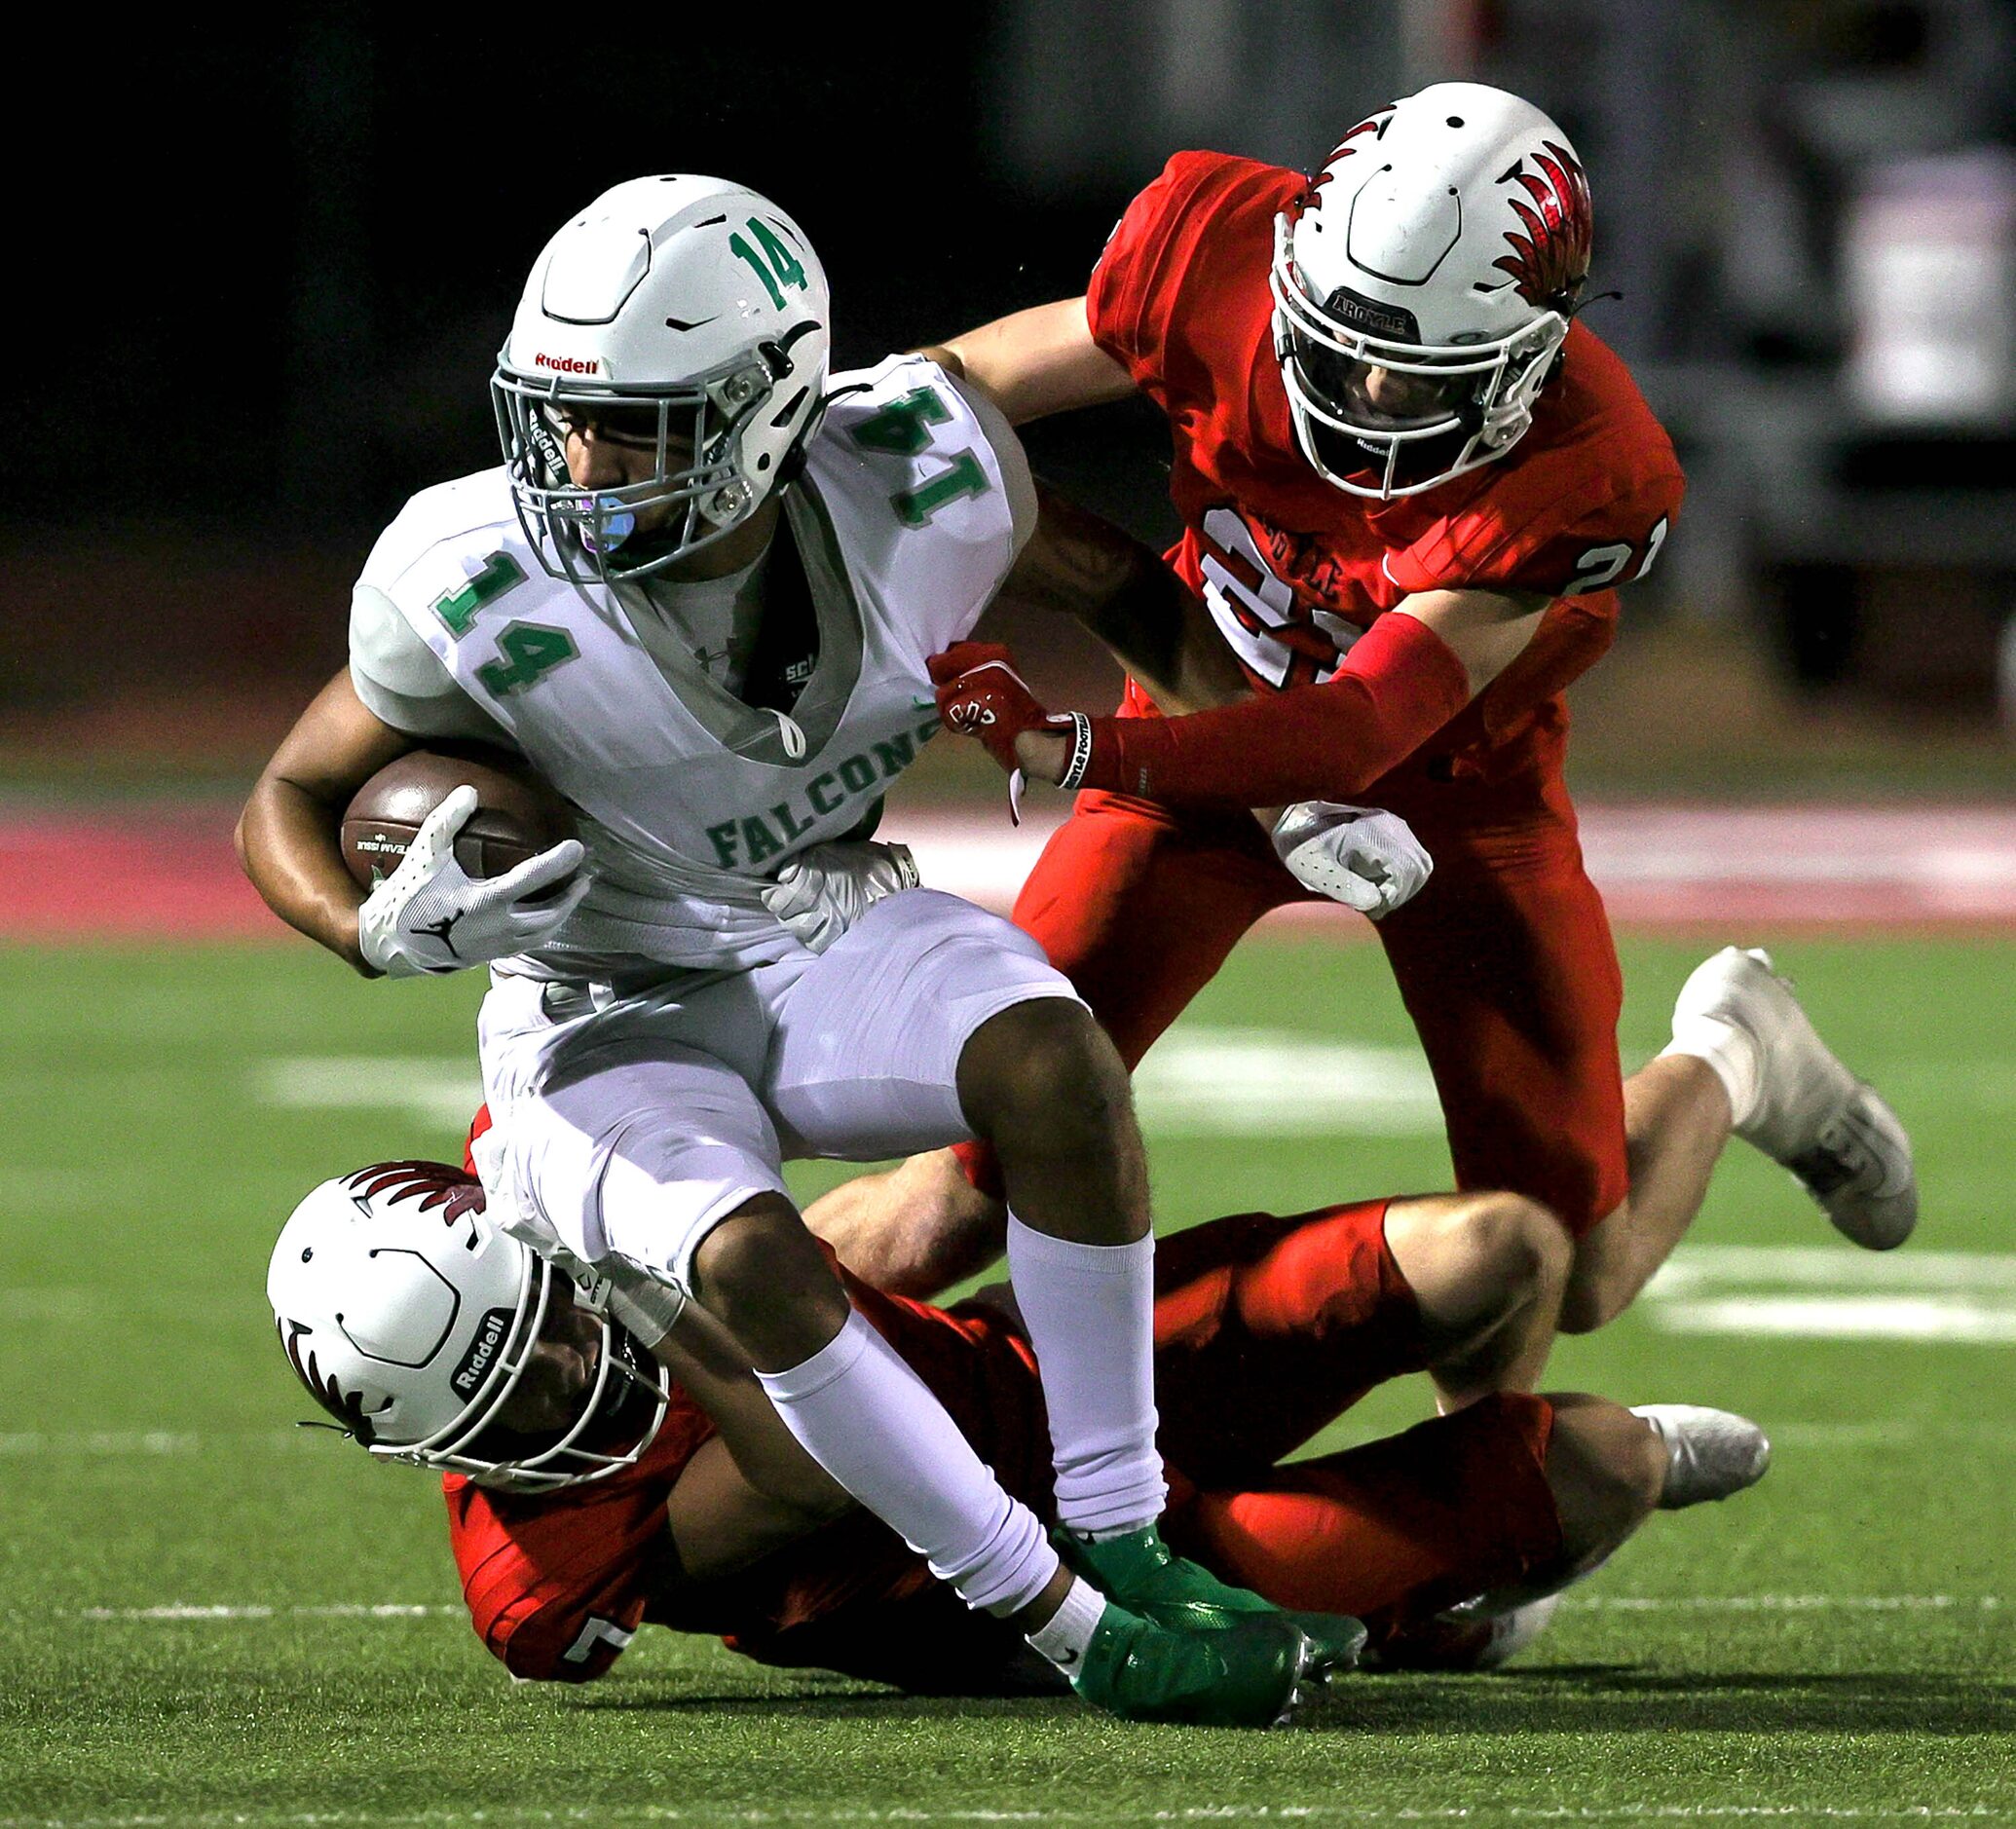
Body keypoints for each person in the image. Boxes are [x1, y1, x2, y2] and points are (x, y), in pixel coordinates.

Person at [235, 173, 1409, 1727]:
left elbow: (1125, 584)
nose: (579, 465)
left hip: (806, 934)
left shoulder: (916, 479)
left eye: (637, 427)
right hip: (597, 1014)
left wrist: (1274, 779)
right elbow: (288, 795)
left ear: (770, 409)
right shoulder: (470, 573)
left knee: (1052, 1060)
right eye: (558, 418)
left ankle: (1122, 1531)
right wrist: (371, 928)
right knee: (747, 1262)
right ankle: (1062, 1617)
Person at [808, 82, 1918, 1328]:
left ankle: (1733, 1055)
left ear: (1534, 348)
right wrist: (824, 439)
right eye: (1343, 350)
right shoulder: (1205, 254)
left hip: (1450, 799)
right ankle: (649, 1374)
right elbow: (952, 395)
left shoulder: (1587, 467)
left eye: (1418, 371)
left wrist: (1077, 746)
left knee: (1565, 1268)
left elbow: (1361, 729)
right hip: (1193, 728)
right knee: (966, 1187)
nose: (1371, 398)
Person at [267, 1156, 1770, 1694]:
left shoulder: (568, 1178)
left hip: (1056, 1370)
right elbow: (802, 1458)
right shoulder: (549, 1568)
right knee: (1602, 1459)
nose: (561, 1390)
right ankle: (1459, 1565)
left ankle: (1732, 1049)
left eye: (546, 1338)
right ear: (428, 1443)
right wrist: (642, 1287)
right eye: (508, 1402)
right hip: (1066, 1570)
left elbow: (841, 1240)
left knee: (1500, 1244)